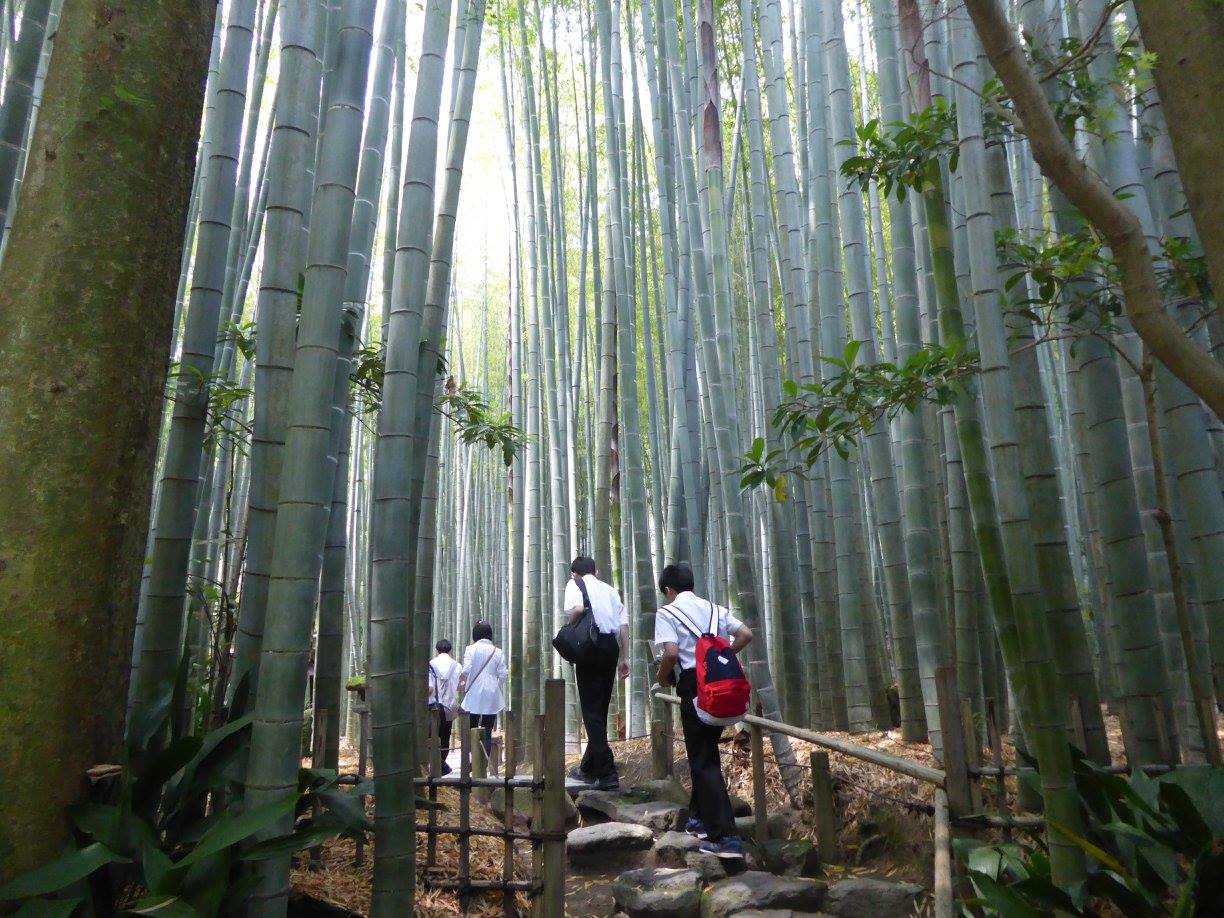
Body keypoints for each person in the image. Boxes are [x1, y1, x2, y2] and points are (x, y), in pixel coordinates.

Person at [653, 563, 753, 860]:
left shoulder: (667, 613)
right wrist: (724, 656)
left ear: (669, 590)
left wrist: (661, 677)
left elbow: (671, 653)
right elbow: (746, 634)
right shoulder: (715, 609)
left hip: (694, 688)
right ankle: (698, 819)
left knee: (703, 761)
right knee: (705, 751)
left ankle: (725, 838)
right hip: (722, 687)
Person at [563, 555, 630, 790]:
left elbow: (579, 608)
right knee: (599, 710)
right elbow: (623, 625)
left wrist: (570, 628)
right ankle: (588, 768)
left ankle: (607, 773)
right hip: (610, 647)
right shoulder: (610, 590)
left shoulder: (575, 584)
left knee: (591, 712)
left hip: (590, 646)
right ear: (597, 571)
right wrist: (624, 657)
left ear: (574, 573)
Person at [458, 621, 508, 759]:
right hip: (491, 694)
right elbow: (503, 674)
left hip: (474, 691)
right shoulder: (497, 651)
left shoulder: (470, 649)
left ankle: (471, 758)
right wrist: (495, 685)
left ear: (476, 634)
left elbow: (466, 669)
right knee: (487, 729)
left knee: (471, 726)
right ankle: (483, 762)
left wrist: (461, 684)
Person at [427, 639, 461, 775]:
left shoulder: (431, 664)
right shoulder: (457, 666)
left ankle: (437, 765)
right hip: (449, 705)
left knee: (433, 734)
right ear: (450, 650)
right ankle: (441, 763)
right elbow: (460, 686)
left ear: (437, 650)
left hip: (433, 705)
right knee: (446, 735)